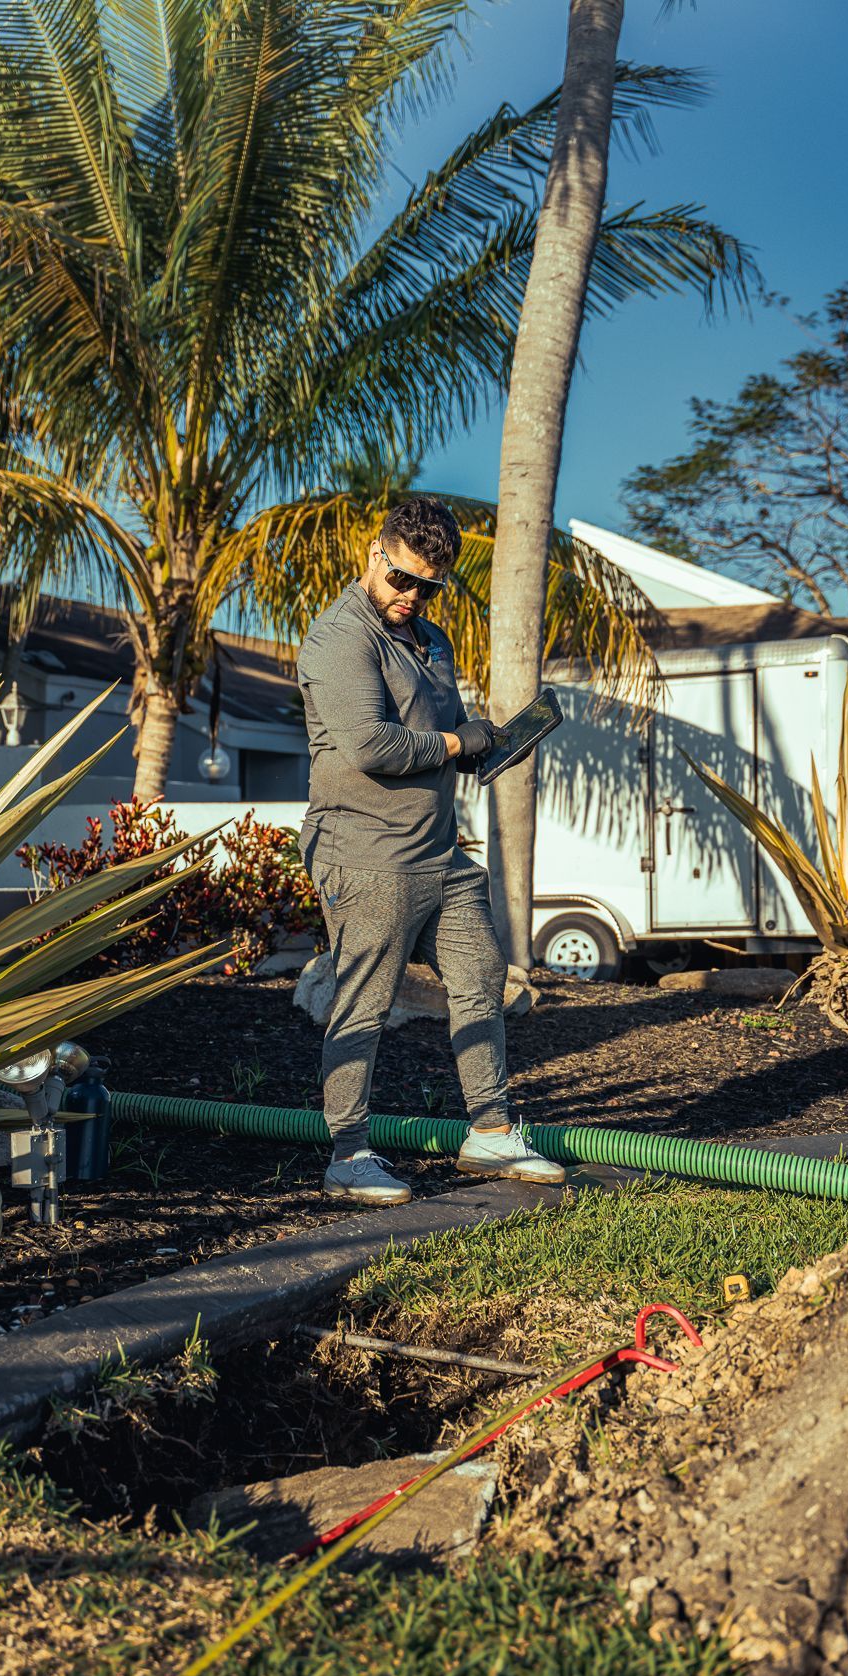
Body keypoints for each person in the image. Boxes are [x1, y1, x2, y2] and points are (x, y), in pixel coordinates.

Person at [296, 494, 566, 1206]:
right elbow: (370, 745)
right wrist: (453, 741)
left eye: (429, 587)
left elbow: (441, 731)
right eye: (402, 579)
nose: (412, 596)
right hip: (366, 854)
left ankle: (492, 1131)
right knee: (364, 1004)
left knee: (481, 974)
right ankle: (348, 1153)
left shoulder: (432, 640)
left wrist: (480, 745)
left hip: (439, 855)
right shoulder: (339, 638)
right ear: (375, 554)